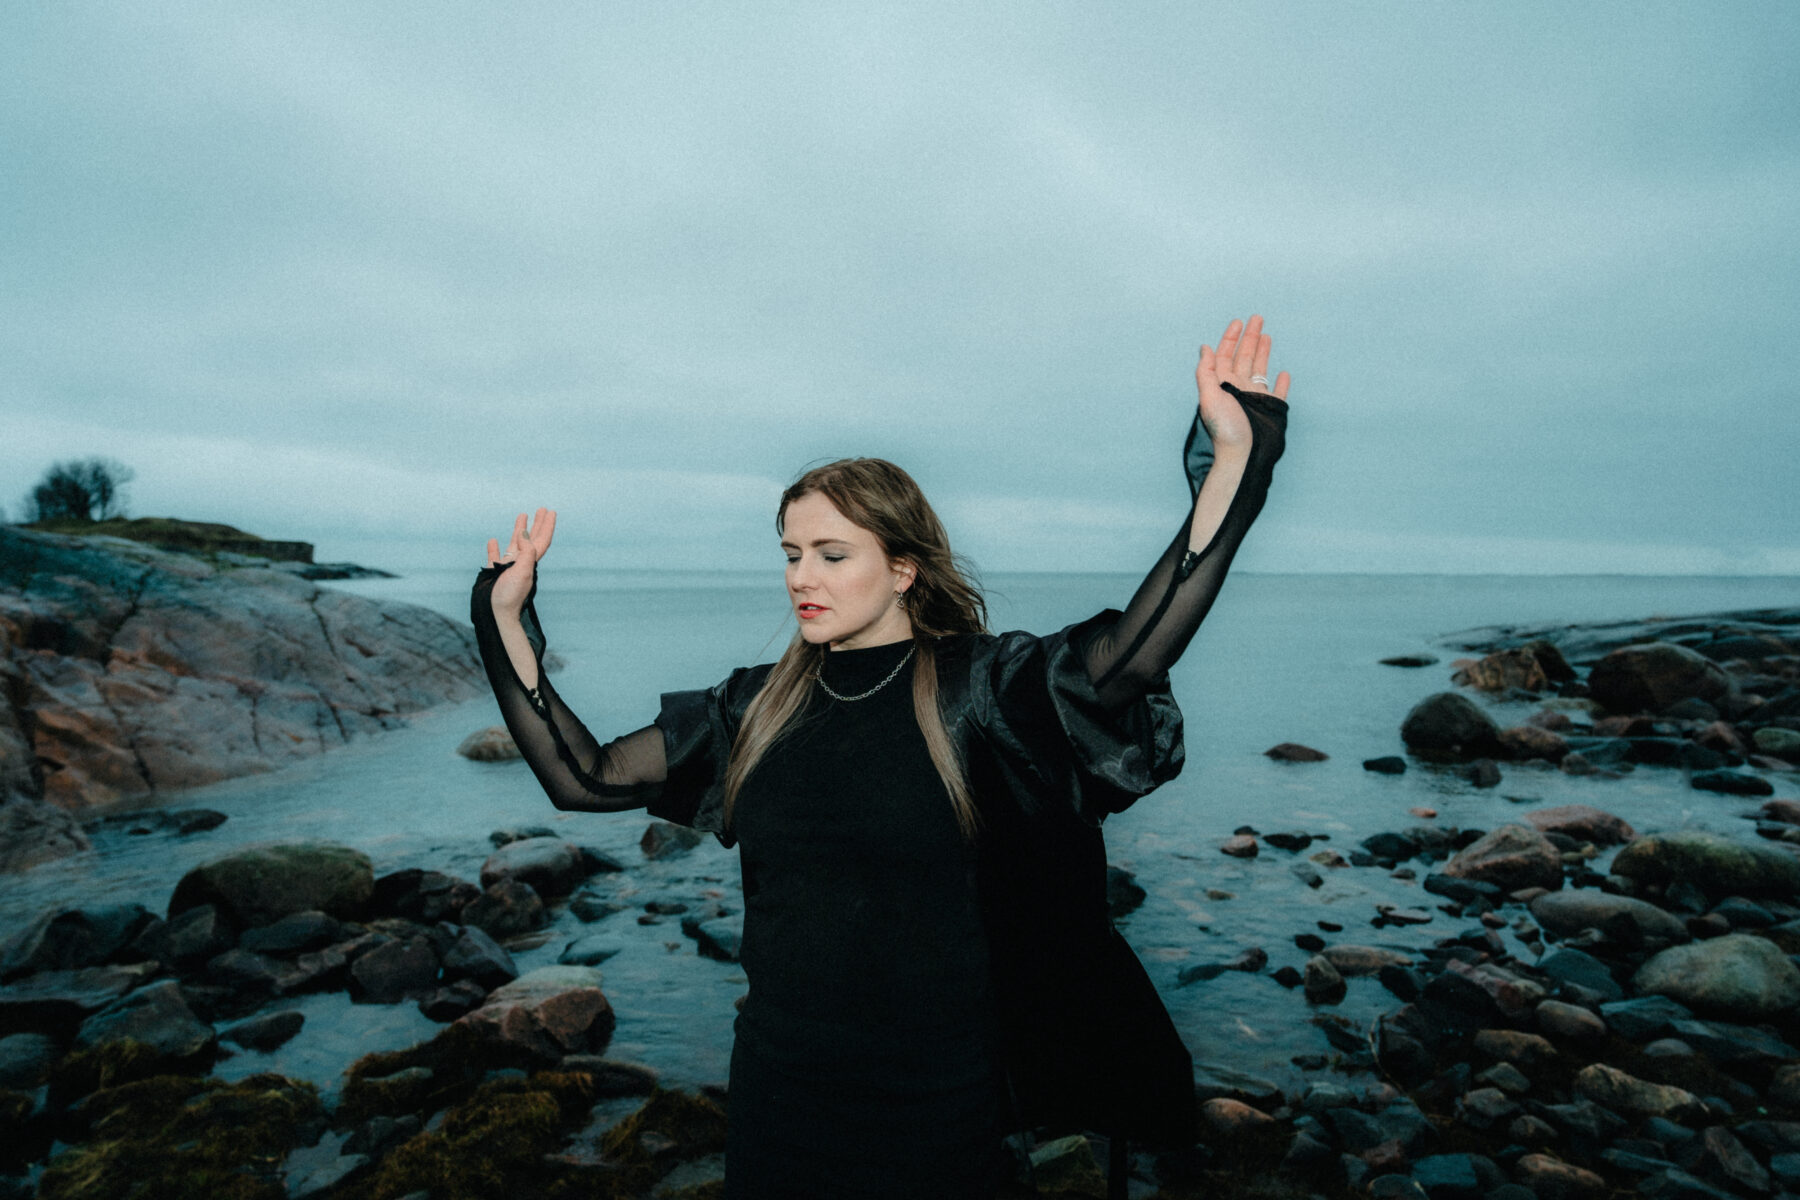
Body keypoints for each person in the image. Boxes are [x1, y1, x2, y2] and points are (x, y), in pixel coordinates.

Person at [469, 316, 1292, 1199]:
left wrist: (1234, 467)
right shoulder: (752, 707)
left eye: (832, 554)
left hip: (937, 1101)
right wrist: (502, 618)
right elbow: (583, 776)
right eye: (792, 554)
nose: (802, 577)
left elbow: (1133, 654)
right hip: (780, 1091)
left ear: (903, 568)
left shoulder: (984, 688)